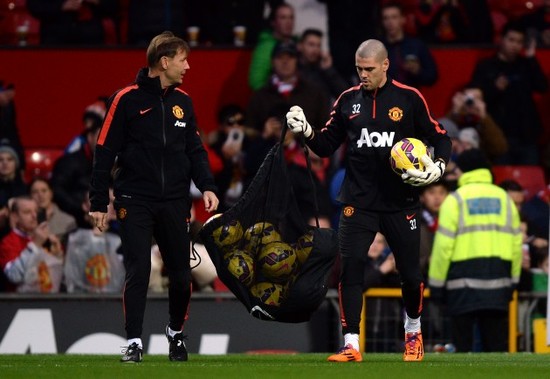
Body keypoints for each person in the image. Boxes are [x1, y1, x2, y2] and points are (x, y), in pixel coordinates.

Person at [285, 39, 452, 362]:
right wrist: (305, 130)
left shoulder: (409, 98)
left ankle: (413, 333)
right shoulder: (347, 101)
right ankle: (351, 344)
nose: (363, 75)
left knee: (411, 274)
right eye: (359, 69)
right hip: (357, 201)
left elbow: (440, 137)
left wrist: (439, 168)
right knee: (350, 269)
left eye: (369, 69)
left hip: (401, 201)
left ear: (385, 65)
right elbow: (324, 145)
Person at [88, 31, 219, 363]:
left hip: (175, 201)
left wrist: (207, 186)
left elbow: (195, 150)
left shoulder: (183, 103)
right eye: (182, 59)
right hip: (134, 199)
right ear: (164, 62)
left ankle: (175, 334)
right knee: (139, 271)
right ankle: (133, 342)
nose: (187, 66)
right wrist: (99, 202)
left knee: (179, 274)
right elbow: (104, 151)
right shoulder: (125, 100)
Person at [428, 148, 522, 352]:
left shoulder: (455, 200)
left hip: (461, 286)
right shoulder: (505, 199)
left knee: (461, 352)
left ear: (465, 170)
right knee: (495, 352)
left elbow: (443, 247)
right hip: (499, 283)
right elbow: (517, 245)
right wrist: (514, 281)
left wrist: (435, 284)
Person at [470, 21, 548, 165]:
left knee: (530, 178)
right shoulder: (487, 66)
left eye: (519, 42)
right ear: (501, 39)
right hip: (500, 136)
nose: (515, 45)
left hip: (527, 135)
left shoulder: (526, 64)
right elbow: (475, 98)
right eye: (511, 40)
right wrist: (495, 88)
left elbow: (542, 86)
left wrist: (531, 57)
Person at [247, 40, 329, 135]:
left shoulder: (315, 93)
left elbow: (325, 132)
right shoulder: (259, 97)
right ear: (272, 62)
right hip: (269, 148)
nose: (285, 62)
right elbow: (249, 133)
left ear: (296, 61)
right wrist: (264, 135)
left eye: (290, 57)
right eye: (280, 57)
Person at [0, 196, 64, 293]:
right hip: (20, 303)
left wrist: (57, 255)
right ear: (15, 217)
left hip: (50, 300)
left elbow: (60, 277)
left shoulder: (46, 238)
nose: (34, 216)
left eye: (36, 211)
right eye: (27, 212)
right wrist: (35, 245)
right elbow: (14, 276)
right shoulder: (7, 242)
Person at [380, 2, 438, 88]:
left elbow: (432, 76)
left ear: (403, 19)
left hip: (410, 97)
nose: (390, 22)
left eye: (394, 17)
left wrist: (418, 71)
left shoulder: (417, 45)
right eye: (386, 18)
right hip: (384, 97)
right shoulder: (378, 48)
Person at [248, 2, 296, 91]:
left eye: (291, 17)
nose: (288, 22)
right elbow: (256, 82)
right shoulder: (265, 47)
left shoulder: (298, 43)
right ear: (273, 22)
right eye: (283, 18)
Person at [26, 0, 119, 45]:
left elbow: (114, 7)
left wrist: (96, 1)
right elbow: (34, 6)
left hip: (91, 39)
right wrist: (62, 6)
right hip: (55, 38)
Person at [297, 28, 349, 106]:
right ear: (300, 46)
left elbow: (347, 97)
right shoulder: (293, 69)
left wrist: (329, 70)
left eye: (318, 46)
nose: (315, 49)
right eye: (311, 44)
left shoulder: (324, 72)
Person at [29, 177, 77, 246]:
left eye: (44, 191)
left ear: (51, 193)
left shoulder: (68, 221)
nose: (40, 195)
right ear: (30, 196)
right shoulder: (26, 221)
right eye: (35, 192)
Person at [0, 141, 28, 239]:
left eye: (9, 159)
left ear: (15, 163)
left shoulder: (25, 188)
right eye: (1, 160)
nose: (5, 163)